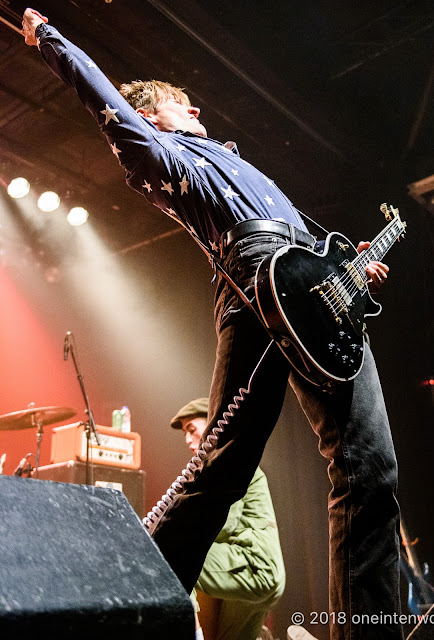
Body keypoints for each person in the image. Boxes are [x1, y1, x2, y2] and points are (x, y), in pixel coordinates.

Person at [22, 8, 402, 639]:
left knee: (370, 468)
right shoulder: (165, 154)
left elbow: (311, 242)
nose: (199, 113)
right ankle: (137, 611)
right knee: (224, 463)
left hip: (315, 286)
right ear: (156, 114)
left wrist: (353, 270)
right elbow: (107, 101)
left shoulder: (244, 166)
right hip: (251, 277)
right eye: (185, 106)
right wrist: (50, 40)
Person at [169, 397, 285, 640]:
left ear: (213, 423)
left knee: (172, 560)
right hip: (261, 575)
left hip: (252, 566)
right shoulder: (230, 462)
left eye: (192, 430)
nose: (188, 440)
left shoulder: (229, 464)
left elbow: (223, 524)